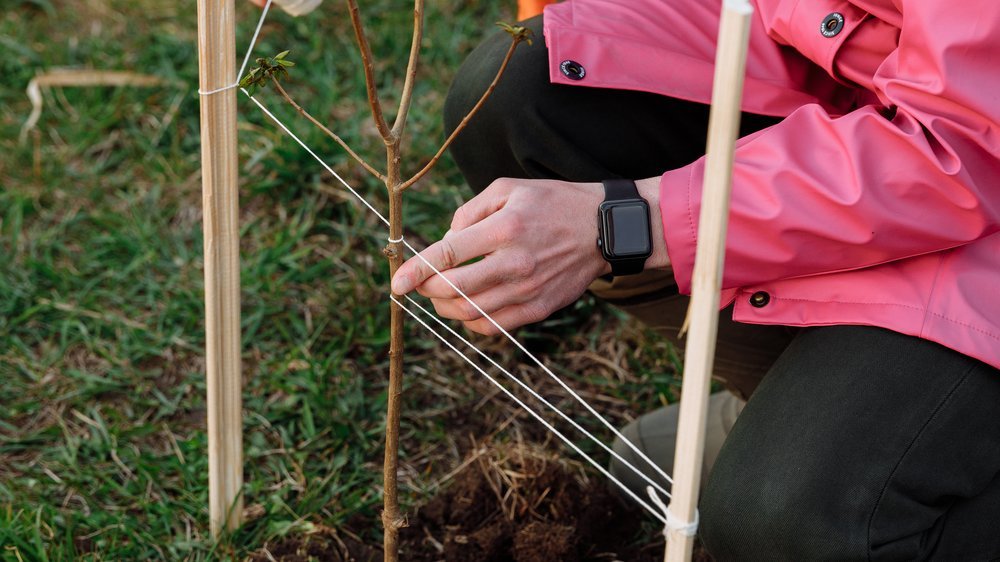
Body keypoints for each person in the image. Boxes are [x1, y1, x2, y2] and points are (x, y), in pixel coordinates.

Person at [385, 0, 1000, 559]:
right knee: (524, 88)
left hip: (970, 160)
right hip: (837, 55)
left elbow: (964, 143)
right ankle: (798, 390)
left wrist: (631, 221)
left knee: (783, 524)